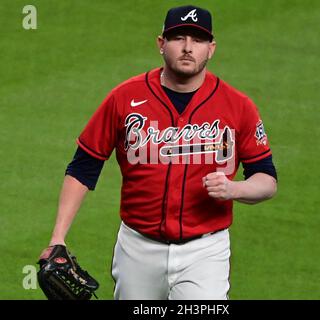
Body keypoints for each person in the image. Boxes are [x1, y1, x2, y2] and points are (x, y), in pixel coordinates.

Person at [40, 5, 277, 300]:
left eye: (198, 39)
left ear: (211, 48)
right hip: (137, 248)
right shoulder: (124, 98)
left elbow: (266, 179)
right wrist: (57, 236)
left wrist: (235, 188)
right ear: (161, 44)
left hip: (205, 251)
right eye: (178, 38)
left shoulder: (238, 106)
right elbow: (84, 166)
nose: (188, 47)